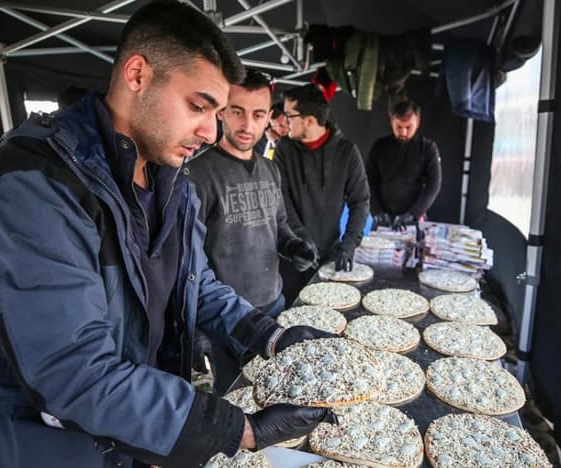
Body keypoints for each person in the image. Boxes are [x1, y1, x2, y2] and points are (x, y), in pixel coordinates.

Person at [0, 2, 334, 467]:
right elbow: (74, 372)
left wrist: (269, 335)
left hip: (129, 438)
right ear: (137, 75)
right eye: (199, 106)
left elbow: (196, 284)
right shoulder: (32, 186)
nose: (212, 132)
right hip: (41, 450)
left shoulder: (170, 180)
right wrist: (240, 429)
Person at [188, 70, 318, 393]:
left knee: (279, 394)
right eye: (237, 112)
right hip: (227, 321)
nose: (247, 125)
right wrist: (198, 331)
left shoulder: (271, 169)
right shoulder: (197, 174)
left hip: (273, 306)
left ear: (269, 118)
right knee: (237, 402)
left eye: (258, 114)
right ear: (222, 112)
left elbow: (280, 228)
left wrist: (294, 248)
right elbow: (190, 264)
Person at [274, 83, 370, 303]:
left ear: (309, 119)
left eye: (289, 115)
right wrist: (301, 239)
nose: (284, 121)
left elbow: (360, 201)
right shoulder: (284, 149)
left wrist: (349, 244)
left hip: (331, 255)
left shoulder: (346, 151)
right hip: (292, 255)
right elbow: (281, 200)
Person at [367, 100, 442, 232]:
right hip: (383, 217)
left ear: (417, 123)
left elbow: (434, 184)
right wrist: (376, 210)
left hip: (414, 217)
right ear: (392, 122)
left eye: (408, 127)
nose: (403, 132)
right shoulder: (379, 146)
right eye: (398, 127)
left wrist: (414, 213)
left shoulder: (428, 148)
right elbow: (368, 181)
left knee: (413, 251)